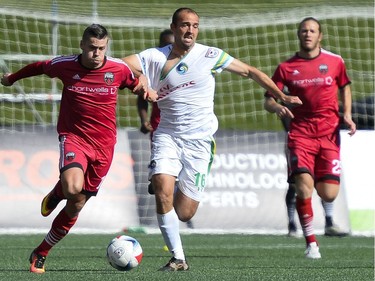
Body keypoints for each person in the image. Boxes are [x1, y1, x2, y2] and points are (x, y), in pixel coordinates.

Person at [123, 7, 302, 271]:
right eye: (184, 25)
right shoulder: (155, 57)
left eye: (195, 25)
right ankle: (178, 258)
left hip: (200, 142)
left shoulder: (210, 55)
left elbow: (250, 71)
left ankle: (166, 184)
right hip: (168, 136)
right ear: (173, 28)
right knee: (162, 190)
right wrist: (140, 84)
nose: (190, 30)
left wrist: (282, 96)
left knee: (184, 212)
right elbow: (120, 65)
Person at [1, 23, 155, 274]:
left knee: (77, 204)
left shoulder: (117, 69)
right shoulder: (65, 65)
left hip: (105, 146)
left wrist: (145, 86)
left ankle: (41, 251)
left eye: (102, 49)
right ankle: (59, 191)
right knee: (73, 187)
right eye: (92, 48)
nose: (97, 54)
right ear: (82, 45)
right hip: (75, 138)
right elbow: (40, 67)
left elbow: (137, 81)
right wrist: (12, 78)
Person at [264, 17, 356, 259]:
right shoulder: (286, 67)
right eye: (304, 31)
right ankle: (311, 244)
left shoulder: (335, 62)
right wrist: (278, 106)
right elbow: (269, 98)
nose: (308, 34)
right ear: (298, 35)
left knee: (329, 193)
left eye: (312, 31)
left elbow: (345, 86)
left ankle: (317, 189)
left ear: (320, 36)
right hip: (300, 135)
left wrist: (346, 114)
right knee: (304, 188)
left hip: (328, 134)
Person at [136, 29, 195, 230]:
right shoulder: (154, 68)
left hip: (187, 132)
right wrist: (144, 121)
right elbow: (141, 99)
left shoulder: (190, 67)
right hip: (161, 130)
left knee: (180, 177)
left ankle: (184, 204)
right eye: (165, 44)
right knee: (160, 181)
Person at [281, 117, 348, 238]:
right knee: (296, 183)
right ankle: (292, 225)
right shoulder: (291, 99)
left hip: (323, 140)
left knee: (325, 182)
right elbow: (277, 107)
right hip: (299, 140)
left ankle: (329, 222)